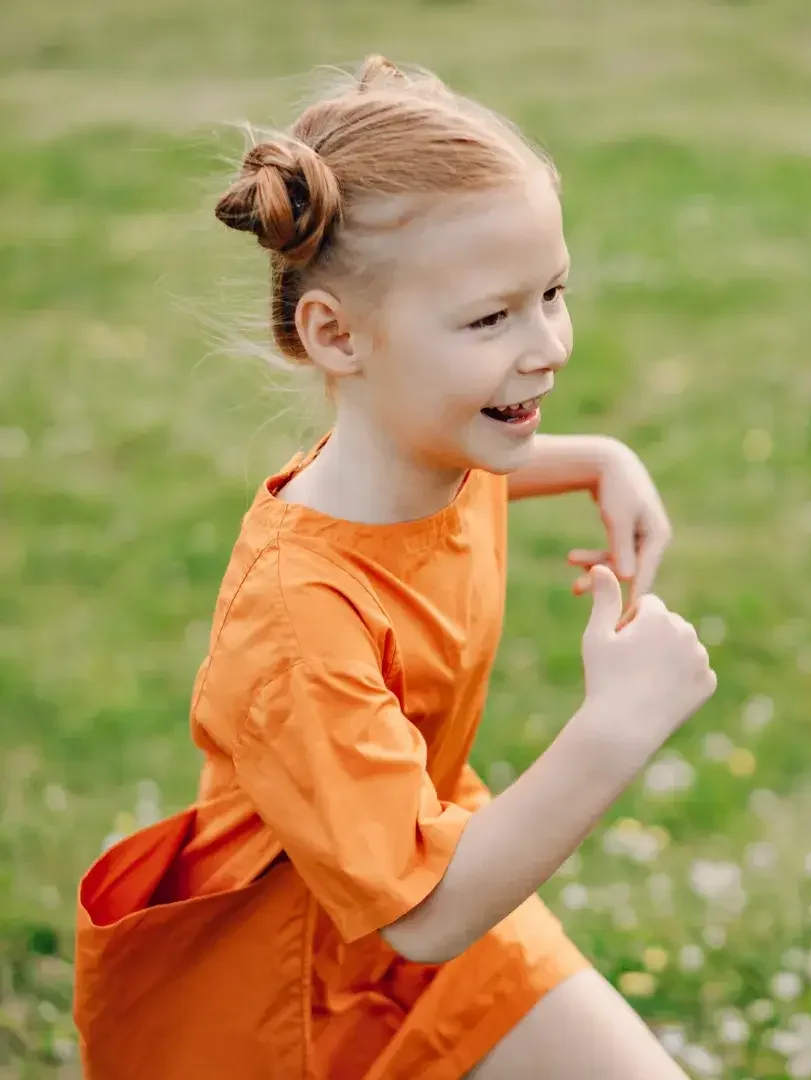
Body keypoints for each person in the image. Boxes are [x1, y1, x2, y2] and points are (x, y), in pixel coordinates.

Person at [72, 56, 717, 1080]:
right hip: (287, 1001)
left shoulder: (435, 454)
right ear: (336, 336)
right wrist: (616, 725)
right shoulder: (299, 617)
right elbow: (423, 919)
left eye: (552, 293)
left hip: (444, 889)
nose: (547, 346)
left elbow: (468, 485)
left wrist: (601, 459)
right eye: (489, 318)